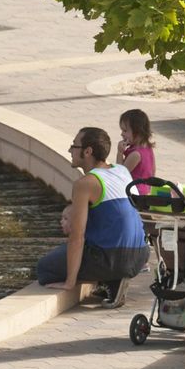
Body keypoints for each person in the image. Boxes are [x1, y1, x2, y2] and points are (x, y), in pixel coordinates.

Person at [38, 127, 149, 305]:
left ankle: (110, 281)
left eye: (74, 146)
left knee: (44, 268)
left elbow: (77, 235)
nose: (70, 150)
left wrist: (70, 282)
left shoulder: (85, 184)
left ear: (88, 151)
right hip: (141, 256)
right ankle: (112, 279)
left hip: (114, 260)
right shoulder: (122, 170)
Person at [117, 108, 157, 184]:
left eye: (125, 131)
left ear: (138, 132)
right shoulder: (147, 148)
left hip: (134, 189)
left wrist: (120, 152)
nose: (122, 134)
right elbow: (153, 171)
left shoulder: (136, 154)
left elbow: (120, 174)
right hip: (145, 188)